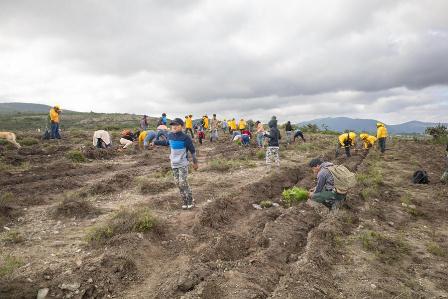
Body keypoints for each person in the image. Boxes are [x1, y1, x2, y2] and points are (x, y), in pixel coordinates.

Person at [152, 118, 198, 210]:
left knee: (183, 182)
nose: (174, 126)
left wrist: (195, 162)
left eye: (177, 125)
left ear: (182, 126)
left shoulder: (186, 137)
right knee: (177, 183)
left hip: (183, 163)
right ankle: (184, 201)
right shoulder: (170, 135)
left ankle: (190, 200)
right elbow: (166, 143)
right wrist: (155, 142)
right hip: (174, 164)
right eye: (173, 125)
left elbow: (192, 151)